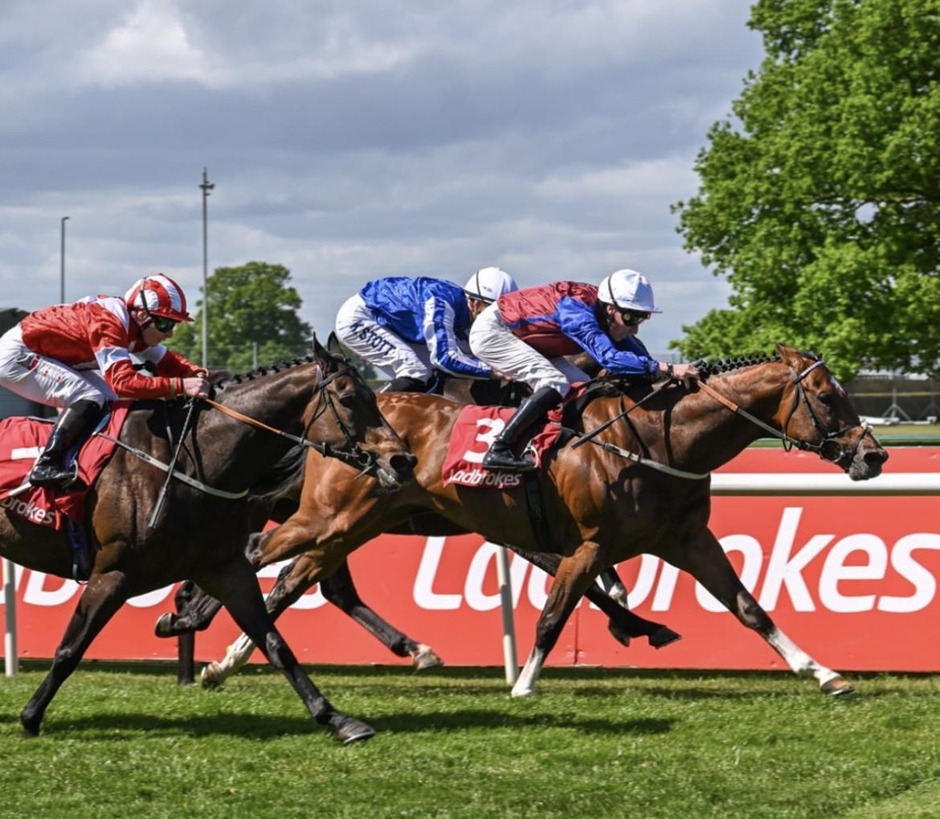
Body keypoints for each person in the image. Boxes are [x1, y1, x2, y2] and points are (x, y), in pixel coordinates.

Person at [468, 268, 701, 472]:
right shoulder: (577, 313)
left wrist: (670, 374)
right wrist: (669, 367)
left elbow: (639, 358)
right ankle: (499, 449)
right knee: (554, 382)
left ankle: (562, 443)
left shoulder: (607, 313)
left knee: (585, 385)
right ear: (610, 309)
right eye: (631, 318)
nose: (635, 329)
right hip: (494, 332)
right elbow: (611, 359)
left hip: (527, 340)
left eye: (641, 319)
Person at [0, 273, 210, 489]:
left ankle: (85, 461)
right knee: (90, 396)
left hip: (44, 353)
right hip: (17, 355)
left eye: (174, 324)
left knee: (110, 402)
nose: (170, 333)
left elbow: (168, 361)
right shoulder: (110, 322)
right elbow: (124, 383)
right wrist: (180, 386)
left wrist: (198, 374)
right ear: (141, 315)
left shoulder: (134, 326)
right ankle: (46, 463)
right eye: (165, 323)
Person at [334, 267, 518, 392]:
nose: (498, 318)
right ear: (475, 303)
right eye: (493, 310)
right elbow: (445, 358)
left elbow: (473, 354)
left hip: (392, 323)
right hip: (360, 317)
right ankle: (365, 416)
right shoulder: (442, 304)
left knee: (431, 374)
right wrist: (493, 372)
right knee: (415, 370)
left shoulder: (468, 312)